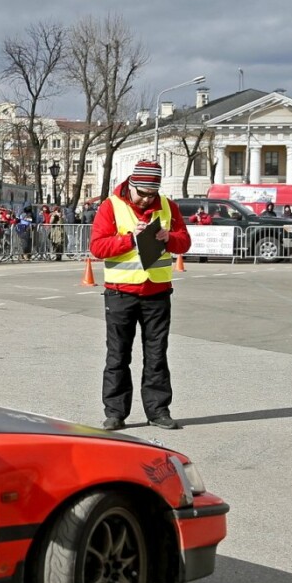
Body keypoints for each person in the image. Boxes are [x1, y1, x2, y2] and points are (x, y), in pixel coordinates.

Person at [88, 160, 190, 431]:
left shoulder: (168, 206)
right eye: (142, 193)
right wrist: (130, 239)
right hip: (120, 293)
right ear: (131, 186)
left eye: (151, 194)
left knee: (157, 355)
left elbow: (185, 241)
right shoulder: (111, 206)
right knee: (118, 355)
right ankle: (115, 413)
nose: (146, 199)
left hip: (157, 292)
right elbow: (97, 246)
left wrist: (169, 237)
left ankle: (158, 412)